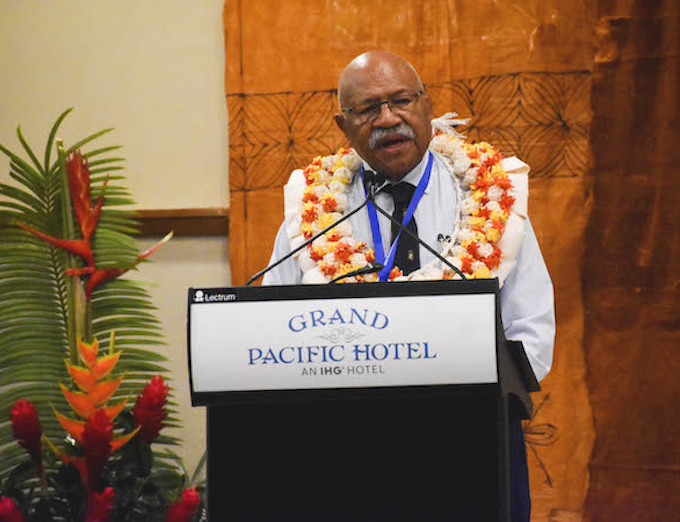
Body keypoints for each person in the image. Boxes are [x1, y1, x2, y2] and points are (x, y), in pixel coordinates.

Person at [262, 50, 555, 521]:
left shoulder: (490, 193)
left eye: (401, 101)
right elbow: (278, 318)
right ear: (343, 125)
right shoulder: (313, 209)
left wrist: (486, 395)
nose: (388, 119)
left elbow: (531, 325)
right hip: (347, 442)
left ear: (427, 105)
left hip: (471, 437)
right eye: (368, 109)